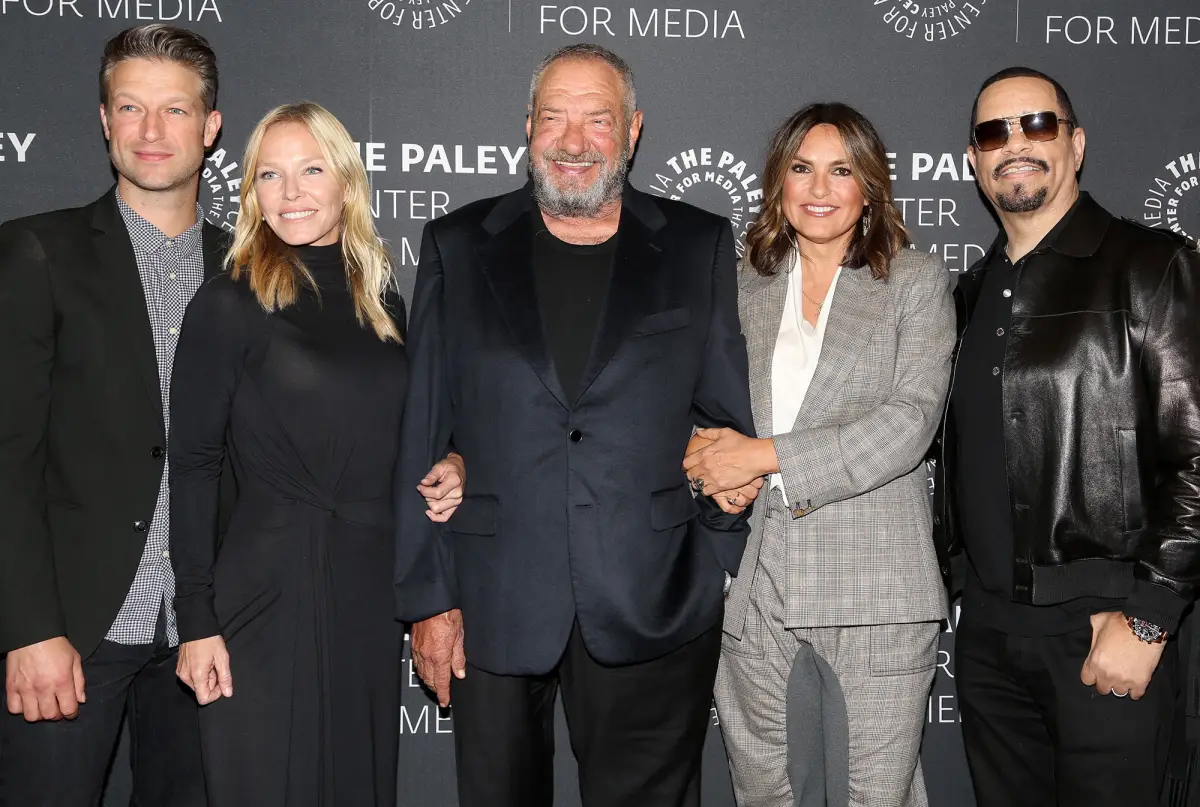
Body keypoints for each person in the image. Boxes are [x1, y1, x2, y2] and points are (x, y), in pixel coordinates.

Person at [394, 43, 758, 807]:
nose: (573, 139)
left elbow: (726, 420)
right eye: (554, 116)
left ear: (632, 130)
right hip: (491, 602)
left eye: (597, 119)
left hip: (655, 598)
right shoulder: (457, 245)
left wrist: (714, 558)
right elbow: (422, 431)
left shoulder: (697, 244)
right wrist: (428, 597)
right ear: (528, 126)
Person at [167, 101, 465, 807]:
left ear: (346, 181)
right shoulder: (228, 302)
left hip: (367, 590)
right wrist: (196, 622)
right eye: (270, 175)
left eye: (310, 170)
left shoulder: (382, 300)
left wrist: (453, 463)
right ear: (252, 191)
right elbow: (194, 467)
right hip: (264, 590)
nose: (290, 192)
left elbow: (410, 430)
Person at [936, 66, 1200, 807]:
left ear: (1076, 144)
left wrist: (1149, 619)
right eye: (994, 133)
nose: (1015, 144)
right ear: (974, 161)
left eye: (1038, 124)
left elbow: (1198, 457)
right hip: (988, 643)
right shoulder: (967, 293)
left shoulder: (1151, 266)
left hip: (1106, 631)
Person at [685, 103, 955, 806]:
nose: (819, 188)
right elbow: (700, 408)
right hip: (755, 585)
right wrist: (712, 469)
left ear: (870, 186)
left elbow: (910, 424)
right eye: (802, 168)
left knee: (877, 798)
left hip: (878, 589)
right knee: (765, 794)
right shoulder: (740, 284)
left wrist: (762, 457)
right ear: (778, 180)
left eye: (841, 170)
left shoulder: (915, 281)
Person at [0, 24, 225, 806]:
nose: (151, 129)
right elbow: (7, 456)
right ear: (104, 119)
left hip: (206, 640)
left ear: (210, 126)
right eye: (131, 106)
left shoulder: (252, 271)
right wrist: (28, 627)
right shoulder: (37, 252)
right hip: (70, 631)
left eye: (175, 109)